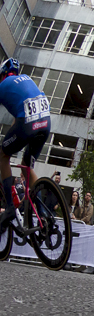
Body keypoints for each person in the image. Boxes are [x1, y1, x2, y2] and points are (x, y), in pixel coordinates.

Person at [0, 58, 51, 229]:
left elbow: (19, 124)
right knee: (26, 166)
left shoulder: (3, 85)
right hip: (45, 124)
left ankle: (8, 208)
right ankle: (43, 213)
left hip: (28, 124)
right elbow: (17, 120)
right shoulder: (26, 79)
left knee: (3, 155)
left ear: (3, 75)